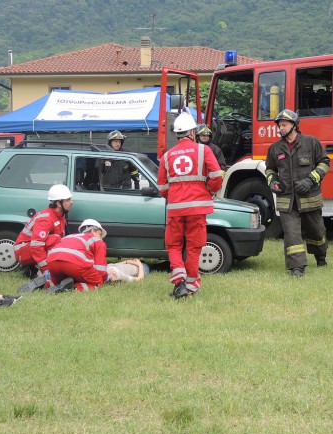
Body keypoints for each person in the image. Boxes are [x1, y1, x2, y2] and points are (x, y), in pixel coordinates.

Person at [157, 112, 224, 298]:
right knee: (194, 247)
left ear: (177, 134)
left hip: (175, 208)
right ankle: (191, 285)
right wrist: (209, 191)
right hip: (198, 208)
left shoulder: (167, 156)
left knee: (173, 245)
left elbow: (162, 186)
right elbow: (216, 175)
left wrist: (174, 197)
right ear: (192, 132)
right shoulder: (204, 150)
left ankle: (179, 281)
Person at [264, 109, 330, 278]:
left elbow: (324, 163)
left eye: (284, 125)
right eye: (279, 125)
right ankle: (297, 267)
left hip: (309, 198)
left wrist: (310, 180)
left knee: (316, 231)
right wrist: (273, 181)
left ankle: (321, 256)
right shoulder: (275, 148)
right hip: (287, 200)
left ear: (294, 125)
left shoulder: (311, 143)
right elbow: (270, 169)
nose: (281, 128)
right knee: (291, 234)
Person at [45, 219, 149, 292]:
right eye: (100, 234)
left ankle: (49, 283)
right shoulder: (97, 241)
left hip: (52, 263)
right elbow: (100, 269)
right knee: (98, 283)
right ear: (93, 230)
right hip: (74, 264)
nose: (101, 238)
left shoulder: (70, 236)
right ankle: (73, 288)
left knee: (62, 278)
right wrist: (106, 278)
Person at [14, 183, 73, 291]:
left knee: (62, 241)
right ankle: (42, 274)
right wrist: (47, 268)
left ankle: (34, 270)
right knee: (56, 239)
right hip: (23, 251)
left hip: (30, 249)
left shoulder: (59, 217)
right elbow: (36, 246)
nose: (71, 202)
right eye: (68, 200)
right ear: (58, 203)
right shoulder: (46, 219)